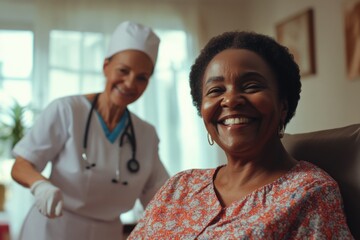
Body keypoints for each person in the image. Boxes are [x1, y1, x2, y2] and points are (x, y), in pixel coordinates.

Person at [128, 31, 354, 239]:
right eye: (216, 90)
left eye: (251, 86)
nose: (231, 100)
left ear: (283, 105)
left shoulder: (311, 193)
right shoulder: (180, 185)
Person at [10, 21, 169, 240]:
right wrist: (41, 186)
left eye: (142, 77)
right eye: (123, 70)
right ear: (106, 66)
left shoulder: (146, 135)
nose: (130, 83)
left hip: (107, 233)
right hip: (53, 229)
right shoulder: (67, 111)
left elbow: (161, 196)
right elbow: (21, 165)